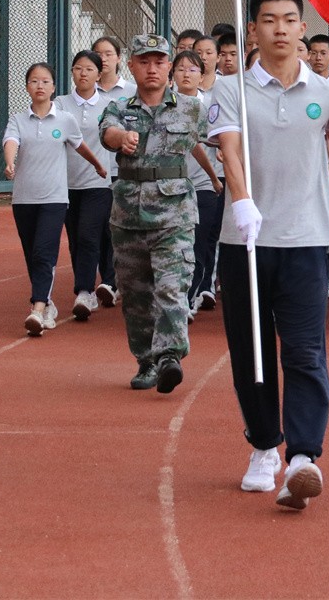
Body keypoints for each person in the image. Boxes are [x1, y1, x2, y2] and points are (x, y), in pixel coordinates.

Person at [210, 0, 329, 511]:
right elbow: (229, 150)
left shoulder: (326, 91)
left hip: (306, 238)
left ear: (302, 28)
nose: (279, 29)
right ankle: (264, 446)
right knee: (251, 351)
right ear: (253, 30)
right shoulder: (231, 90)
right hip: (246, 240)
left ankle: (303, 457)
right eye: (268, 20)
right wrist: (243, 202)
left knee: (304, 349)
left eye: (289, 20)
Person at [100, 34, 212, 394]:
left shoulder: (192, 108)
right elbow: (107, 132)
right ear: (131, 66)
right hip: (128, 216)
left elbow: (224, 137)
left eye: (159, 61)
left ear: (170, 67)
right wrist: (120, 138)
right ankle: (146, 360)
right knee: (136, 296)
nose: (152, 68)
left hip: (174, 216)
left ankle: (169, 357)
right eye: (144, 61)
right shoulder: (119, 107)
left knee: (172, 287)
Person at [4, 62, 108, 336]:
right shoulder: (18, 119)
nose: (40, 86)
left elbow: (80, 145)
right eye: (34, 81)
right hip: (24, 199)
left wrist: (98, 165)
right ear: (27, 87)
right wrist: (10, 162)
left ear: (53, 87)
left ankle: (38, 308)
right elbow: (11, 141)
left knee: (44, 251)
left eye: (45, 81)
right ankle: (47, 302)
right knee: (32, 253)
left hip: (55, 198)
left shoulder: (64, 119)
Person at [55, 50, 122, 320]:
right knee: (76, 238)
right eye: (78, 68)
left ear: (98, 74)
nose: (83, 73)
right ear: (72, 72)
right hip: (66, 184)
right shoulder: (60, 104)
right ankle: (104, 283)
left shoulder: (109, 105)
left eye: (89, 69)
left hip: (98, 181)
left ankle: (85, 291)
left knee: (89, 234)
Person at [171, 49, 224, 315]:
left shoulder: (209, 108)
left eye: (192, 70)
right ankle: (172, 297)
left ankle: (190, 297)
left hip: (203, 185)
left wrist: (216, 174)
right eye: (180, 69)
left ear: (202, 76)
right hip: (171, 186)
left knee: (198, 244)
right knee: (173, 247)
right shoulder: (163, 105)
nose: (186, 74)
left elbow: (219, 139)